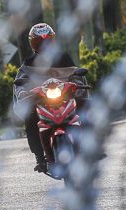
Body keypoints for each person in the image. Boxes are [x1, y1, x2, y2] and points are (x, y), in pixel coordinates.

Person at [14, 23, 78, 173]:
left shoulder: (64, 58)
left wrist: (78, 84)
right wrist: (23, 92)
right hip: (40, 101)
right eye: (39, 42)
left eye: (47, 41)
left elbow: (76, 74)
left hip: (66, 99)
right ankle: (39, 157)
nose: (44, 45)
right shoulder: (28, 64)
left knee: (87, 109)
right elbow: (20, 82)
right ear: (33, 44)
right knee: (30, 119)